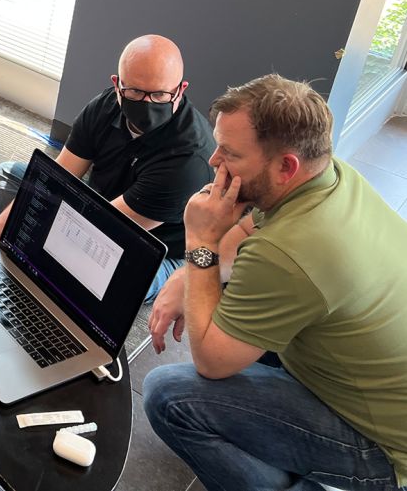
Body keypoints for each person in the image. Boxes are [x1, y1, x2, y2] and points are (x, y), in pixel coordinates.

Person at [144, 75, 407, 491]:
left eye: (230, 154)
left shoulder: (290, 255)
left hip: (385, 452)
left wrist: (199, 245)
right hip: (374, 381)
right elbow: (251, 227)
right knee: (231, 295)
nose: (213, 162)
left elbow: (211, 362)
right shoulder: (332, 176)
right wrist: (183, 274)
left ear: (286, 166)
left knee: (167, 395)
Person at [0, 34, 214, 300]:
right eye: (134, 92)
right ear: (117, 85)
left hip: (153, 244)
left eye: (159, 94)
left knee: (115, 285)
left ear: (181, 90)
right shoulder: (104, 106)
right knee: (7, 174)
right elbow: (58, 176)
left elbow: (102, 229)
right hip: (99, 201)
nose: (147, 103)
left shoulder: (189, 159)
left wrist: (28, 226)